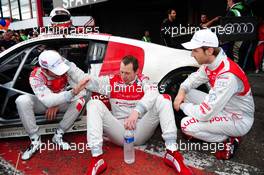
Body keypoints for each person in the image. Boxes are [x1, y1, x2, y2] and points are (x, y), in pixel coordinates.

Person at [85, 56, 192, 175]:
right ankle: (97, 158)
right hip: (120, 132)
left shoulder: (143, 81)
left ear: (136, 72)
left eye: (127, 73)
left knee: (164, 99)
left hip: (140, 130)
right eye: (121, 72)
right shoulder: (111, 81)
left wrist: (136, 111)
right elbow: (89, 81)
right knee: (93, 104)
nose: (123, 76)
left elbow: (153, 92)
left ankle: (172, 152)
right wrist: (69, 69)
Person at [174, 29, 254, 160]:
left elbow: (204, 114)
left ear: (209, 50)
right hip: (224, 106)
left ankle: (228, 138)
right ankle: (219, 129)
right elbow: (193, 79)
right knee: (188, 93)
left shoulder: (227, 76)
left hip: (238, 119)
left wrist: (182, 106)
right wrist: (181, 91)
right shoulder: (211, 62)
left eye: (195, 50)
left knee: (186, 125)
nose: (192, 55)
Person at [15, 50, 90, 160]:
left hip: (61, 101)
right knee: (22, 100)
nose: (60, 72)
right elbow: (48, 100)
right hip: (44, 102)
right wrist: (71, 93)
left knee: (80, 101)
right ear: (45, 69)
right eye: (55, 70)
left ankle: (58, 134)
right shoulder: (36, 76)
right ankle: (35, 140)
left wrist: (57, 103)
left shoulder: (64, 64)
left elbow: (82, 89)